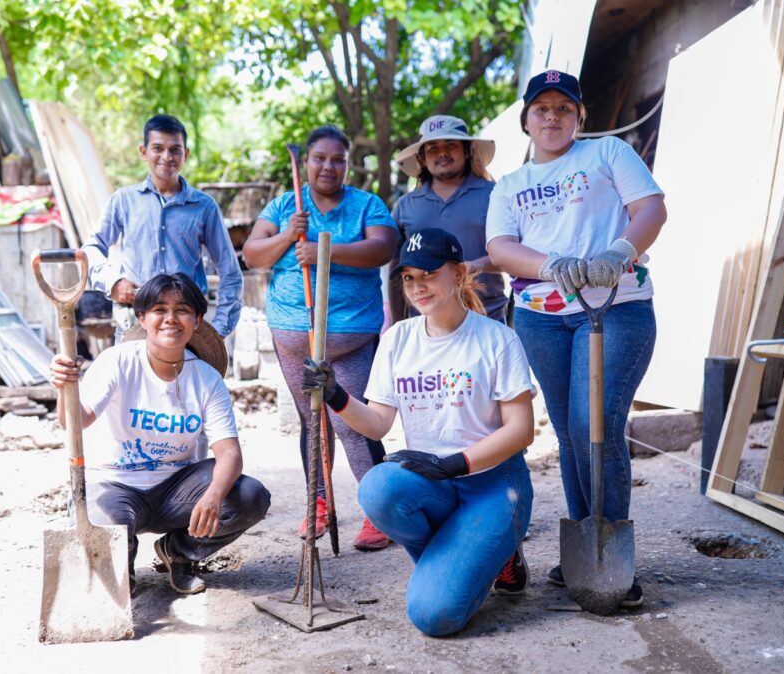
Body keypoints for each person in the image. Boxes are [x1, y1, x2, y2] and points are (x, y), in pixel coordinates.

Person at [485, 70, 667, 608]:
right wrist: (552, 265)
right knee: (567, 431)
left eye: (564, 108)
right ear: (526, 119)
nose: (552, 117)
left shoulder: (607, 153)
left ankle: (612, 549)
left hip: (616, 308)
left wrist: (620, 251)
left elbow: (651, 209)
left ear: (579, 117)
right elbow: (499, 247)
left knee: (596, 424)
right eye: (541, 108)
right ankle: (583, 543)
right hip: (542, 316)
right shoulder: (510, 185)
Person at [302, 227, 536, 636]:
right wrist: (335, 394)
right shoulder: (397, 340)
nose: (417, 286)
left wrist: (454, 464)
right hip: (436, 484)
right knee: (378, 487)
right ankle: (467, 560)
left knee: (433, 616)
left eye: (428, 273)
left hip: (493, 485)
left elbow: (521, 431)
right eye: (409, 277)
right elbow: (377, 424)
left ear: (460, 273)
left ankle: (497, 554)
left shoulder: (497, 338)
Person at [48, 273, 270, 595]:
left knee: (250, 497)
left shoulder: (207, 380)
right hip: (114, 485)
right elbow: (75, 421)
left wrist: (212, 497)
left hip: (176, 492)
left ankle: (179, 553)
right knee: (109, 568)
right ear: (142, 317)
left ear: (196, 320)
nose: (170, 319)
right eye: (158, 310)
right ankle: (123, 559)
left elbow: (230, 454)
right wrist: (65, 387)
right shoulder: (117, 362)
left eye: (181, 310)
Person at [242, 125, 398, 551]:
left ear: (347, 165)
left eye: (337, 159)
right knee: (313, 422)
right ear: (306, 161)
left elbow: (383, 247)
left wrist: (323, 249)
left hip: (352, 337)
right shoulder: (284, 205)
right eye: (319, 158)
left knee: (354, 423)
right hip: (294, 334)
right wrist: (288, 235)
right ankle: (319, 504)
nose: (328, 166)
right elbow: (253, 255)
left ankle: (379, 512)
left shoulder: (366, 204)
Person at [82, 114, 242, 339]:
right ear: (143, 152)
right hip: (133, 325)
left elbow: (231, 272)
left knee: (186, 376)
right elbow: (90, 248)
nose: (167, 156)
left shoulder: (204, 207)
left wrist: (218, 330)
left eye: (175, 149)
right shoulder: (123, 200)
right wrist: (113, 283)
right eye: (158, 148)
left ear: (185, 154)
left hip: (186, 331)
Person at [390, 115, 508, 323]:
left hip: (487, 314)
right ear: (421, 158)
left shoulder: (495, 194)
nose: (442, 153)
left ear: (467, 151)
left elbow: (512, 252)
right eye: (433, 147)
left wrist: (473, 267)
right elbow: (396, 270)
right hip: (424, 322)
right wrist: (397, 323)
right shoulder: (405, 206)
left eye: (451, 145)